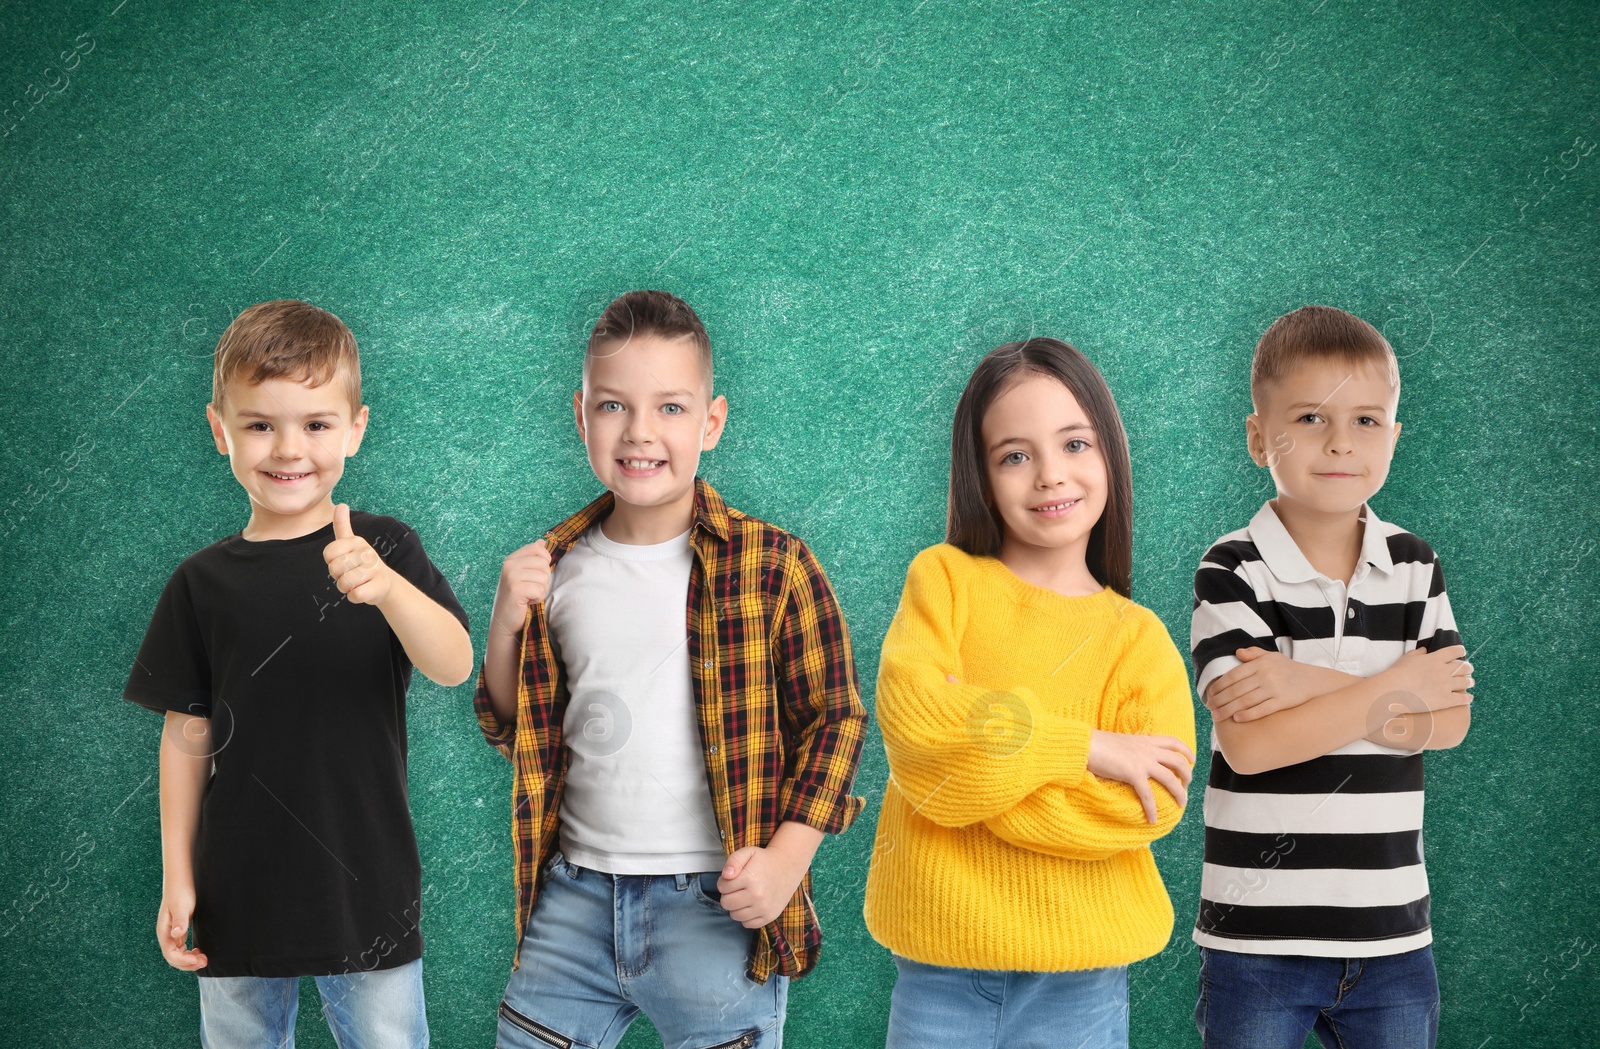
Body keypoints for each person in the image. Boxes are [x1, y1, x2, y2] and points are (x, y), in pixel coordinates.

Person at [475, 289, 868, 1049]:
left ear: (712, 421)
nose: (641, 432)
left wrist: (788, 858)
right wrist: (504, 621)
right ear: (581, 414)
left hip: (715, 904)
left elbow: (836, 717)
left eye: (672, 408)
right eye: (614, 406)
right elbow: (516, 731)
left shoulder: (773, 564)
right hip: (575, 899)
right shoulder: (554, 569)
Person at [123, 299, 473, 1049]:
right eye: (260, 424)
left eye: (315, 423)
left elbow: (452, 663)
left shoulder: (386, 548)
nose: (289, 448)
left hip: (367, 889)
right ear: (220, 430)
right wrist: (176, 876)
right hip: (236, 892)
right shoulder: (200, 582)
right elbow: (186, 735)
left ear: (355, 428)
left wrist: (384, 588)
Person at [862, 337, 1197, 1049]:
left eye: (1075, 443)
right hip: (936, 971)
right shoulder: (943, 581)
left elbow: (1145, 803)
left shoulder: (1138, 638)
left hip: (1081, 984)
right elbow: (916, 729)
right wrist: (1086, 746)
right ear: (980, 474)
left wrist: (971, 775)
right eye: (1015, 454)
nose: (1050, 475)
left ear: (1110, 451)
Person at [1189, 304, 1474, 1048]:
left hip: (1394, 938)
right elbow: (1250, 748)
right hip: (1257, 941)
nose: (1342, 442)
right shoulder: (1231, 567)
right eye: (1311, 417)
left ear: (1395, 437)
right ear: (1259, 437)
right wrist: (1394, 684)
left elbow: (1449, 722)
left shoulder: (1415, 563)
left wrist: (1302, 684)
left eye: (1368, 420)